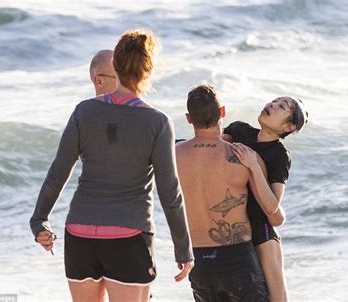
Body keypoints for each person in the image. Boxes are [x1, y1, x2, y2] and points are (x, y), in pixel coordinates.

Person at [30, 29, 194, 302]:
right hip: (128, 236)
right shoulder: (158, 123)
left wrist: (39, 222)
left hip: (79, 235)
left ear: (116, 65)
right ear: (149, 72)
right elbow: (170, 193)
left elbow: (58, 172)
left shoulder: (83, 111)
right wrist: (183, 250)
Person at [176, 84, 269, 302]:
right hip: (238, 257)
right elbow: (270, 211)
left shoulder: (172, 156)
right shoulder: (245, 156)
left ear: (189, 118)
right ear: (223, 112)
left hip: (197, 260)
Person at [223, 96, 308, 302]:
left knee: (276, 297)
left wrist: (253, 165)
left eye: (282, 106)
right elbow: (209, 153)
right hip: (231, 229)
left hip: (261, 231)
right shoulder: (238, 130)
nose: (272, 105)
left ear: (288, 126)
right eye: (274, 101)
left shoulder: (279, 155)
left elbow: (272, 206)